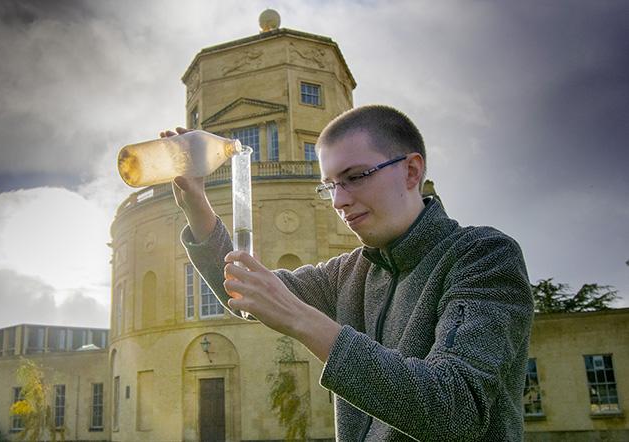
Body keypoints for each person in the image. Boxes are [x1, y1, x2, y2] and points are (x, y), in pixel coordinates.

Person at [168, 105, 533, 441]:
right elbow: (246, 292)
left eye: (355, 177)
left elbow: (454, 409)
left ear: (411, 170)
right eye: (329, 186)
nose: (339, 201)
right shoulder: (347, 273)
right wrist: (197, 206)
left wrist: (300, 318)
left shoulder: (483, 256)